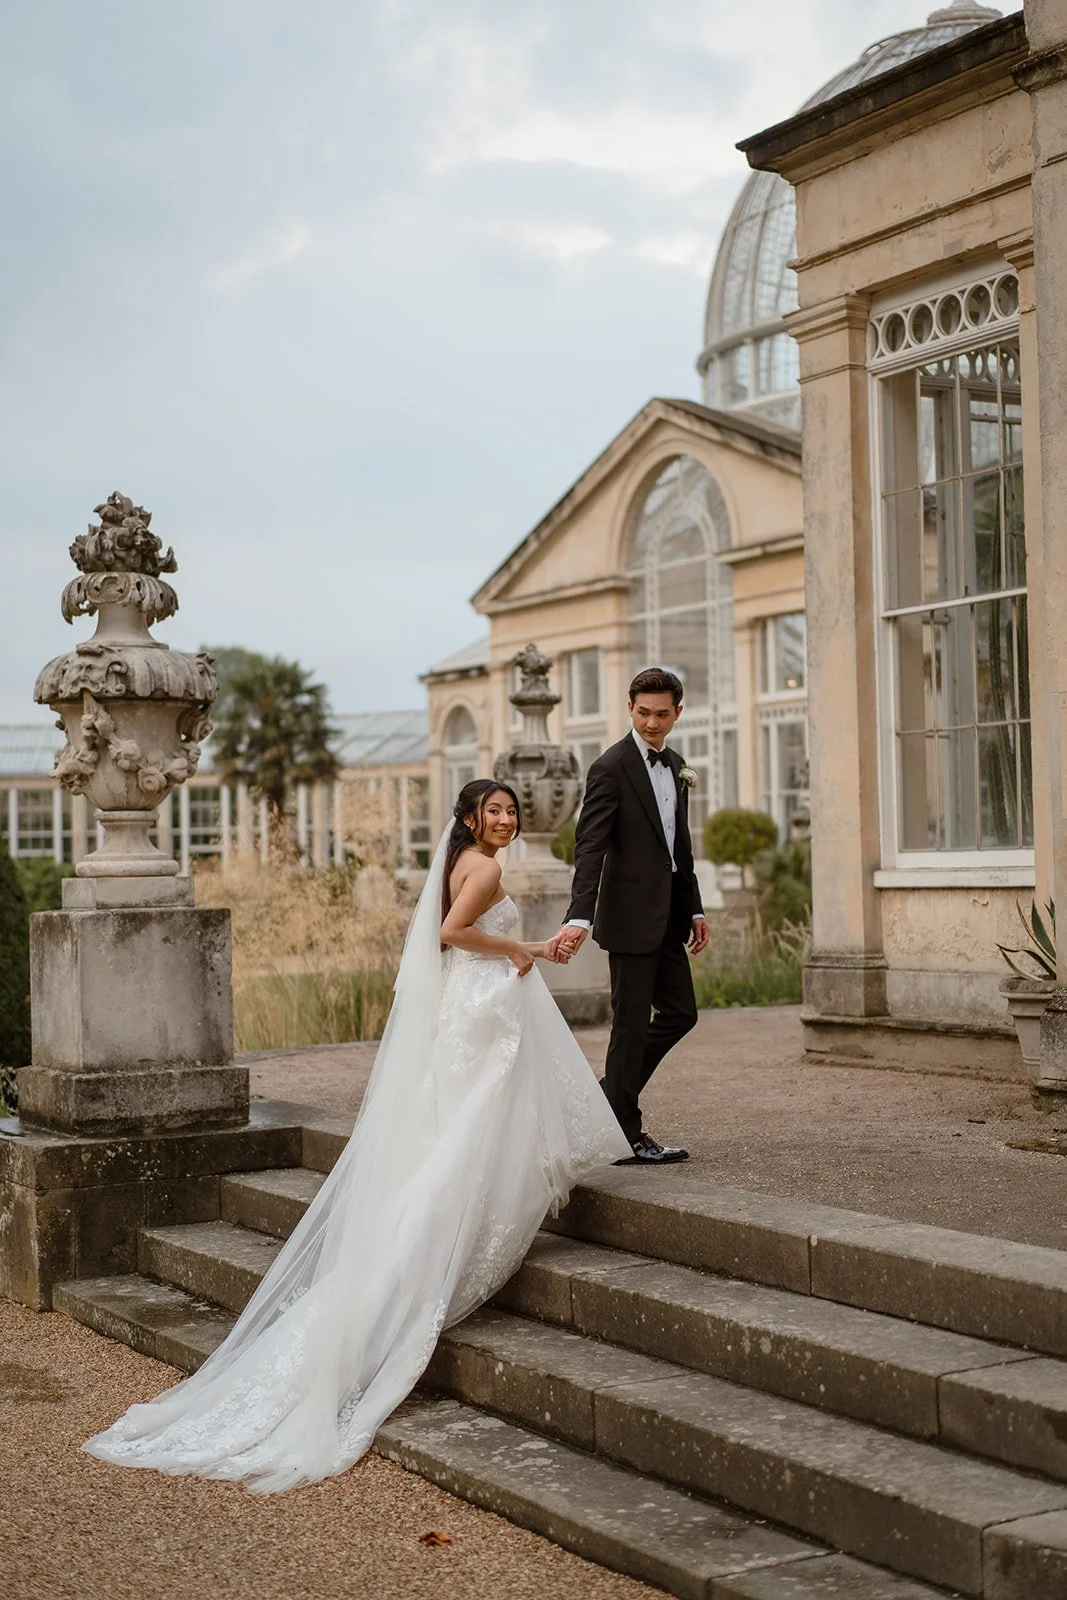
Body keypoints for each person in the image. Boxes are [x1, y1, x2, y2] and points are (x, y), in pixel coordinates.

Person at [84, 779, 630, 1492]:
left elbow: (452, 933)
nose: (505, 820)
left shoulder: (460, 859)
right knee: (477, 1124)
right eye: (494, 811)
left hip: (471, 1003)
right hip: (482, 1002)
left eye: (510, 812)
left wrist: (522, 947)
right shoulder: (486, 867)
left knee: (465, 1123)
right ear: (469, 817)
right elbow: (451, 934)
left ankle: (440, 1229)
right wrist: (516, 948)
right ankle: (442, 1241)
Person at [548, 668, 709, 1164]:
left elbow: (678, 847)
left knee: (682, 1014)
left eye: (662, 714)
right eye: (643, 713)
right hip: (628, 917)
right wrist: (580, 916)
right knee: (631, 1026)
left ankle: (605, 1099)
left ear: (677, 712)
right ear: (630, 709)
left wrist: (696, 908)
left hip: (668, 918)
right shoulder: (610, 767)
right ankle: (626, 1131)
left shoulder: (677, 765)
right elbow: (590, 845)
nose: (652, 723)